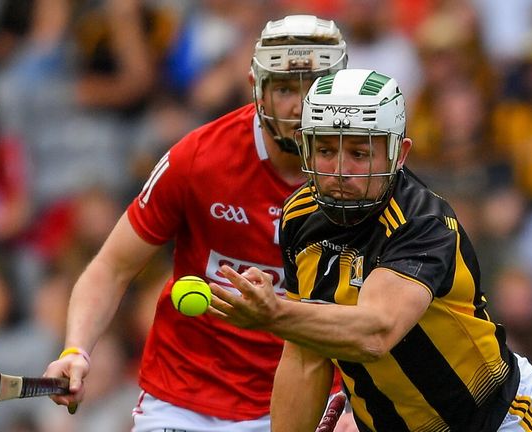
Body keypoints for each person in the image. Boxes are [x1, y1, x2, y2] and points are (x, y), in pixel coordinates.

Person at [210, 68, 532, 432]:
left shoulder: (422, 221)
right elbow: (305, 358)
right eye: (325, 149)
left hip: (493, 420)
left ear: (399, 154)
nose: (339, 171)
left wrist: (273, 313)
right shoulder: (298, 218)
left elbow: (375, 333)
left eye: (359, 153)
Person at [43, 14, 349, 432]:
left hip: (309, 399)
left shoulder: (364, 176)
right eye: (283, 88)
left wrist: (356, 405)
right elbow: (110, 267)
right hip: (184, 399)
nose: (300, 105)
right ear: (257, 90)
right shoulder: (198, 159)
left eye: (314, 87)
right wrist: (76, 349)